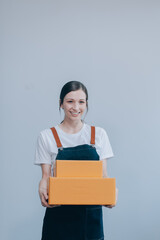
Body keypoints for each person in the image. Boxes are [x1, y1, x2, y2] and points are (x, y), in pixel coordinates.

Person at [34, 80, 116, 240]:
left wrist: (111, 194)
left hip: (90, 217)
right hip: (58, 214)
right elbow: (45, 177)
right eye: (70, 101)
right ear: (61, 103)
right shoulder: (46, 136)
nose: (76, 107)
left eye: (81, 102)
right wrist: (42, 189)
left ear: (86, 104)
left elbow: (103, 176)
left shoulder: (99, 134)